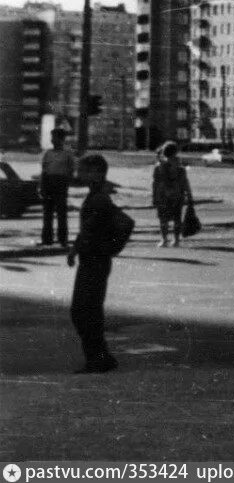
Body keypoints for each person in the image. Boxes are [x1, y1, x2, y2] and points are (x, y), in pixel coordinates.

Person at [67, 153, 120, 374]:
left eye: (83, 170)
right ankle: (100, 356)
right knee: (89, 310)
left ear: (97, 172)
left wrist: (76, 249)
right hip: (94, 258)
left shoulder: (99, 198)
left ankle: (98, 358)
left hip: (94, 259)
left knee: (83, 310)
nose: (78, 173)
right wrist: (74, 249)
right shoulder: (97, 195)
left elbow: (89, 230)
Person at [151, 142, 192, 247]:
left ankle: (164, 240)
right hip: (177, 195)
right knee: (177, 218)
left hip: (162, 196)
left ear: (164, 152)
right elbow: (185, 182)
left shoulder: (158, 167)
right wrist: (189, 195)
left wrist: (154, 197)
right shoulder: (180, 168)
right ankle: (176, 240)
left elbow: (155, 183)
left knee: (163, 219)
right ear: (176, 152)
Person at [40, 128, 75, 248]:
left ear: (61, 139)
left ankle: (62, 239)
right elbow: (44, 171)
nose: (52, 140)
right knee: (47, 213)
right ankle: (47, 239)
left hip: (61, 184)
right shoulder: (47, 153)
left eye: (55, 137)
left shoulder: (67, 154)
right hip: (48, 183)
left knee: (61, 213)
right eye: (52, 137)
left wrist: (66, 184)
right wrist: (42, 186)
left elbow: (71, 171)